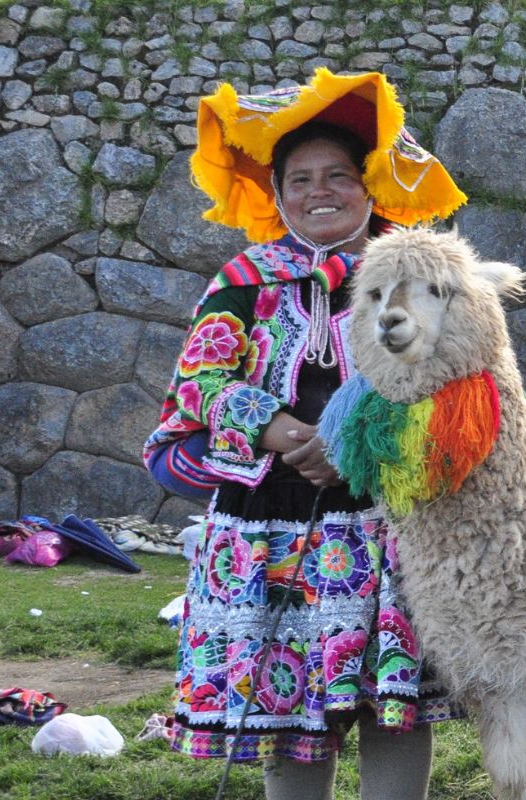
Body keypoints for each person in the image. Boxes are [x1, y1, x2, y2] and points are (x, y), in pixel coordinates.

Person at [143, 69, 468, 800]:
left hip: (387, 519)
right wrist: (276, 426)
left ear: (369, 184)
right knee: (283, 710)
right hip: (269, 531)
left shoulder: (419, 274)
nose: (320, 192)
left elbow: (458, 381)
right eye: (300, 180)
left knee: (394, 709)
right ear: (279, 194)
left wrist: (354, 439)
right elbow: (199, 381)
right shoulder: (245, 278)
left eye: (338, 176)